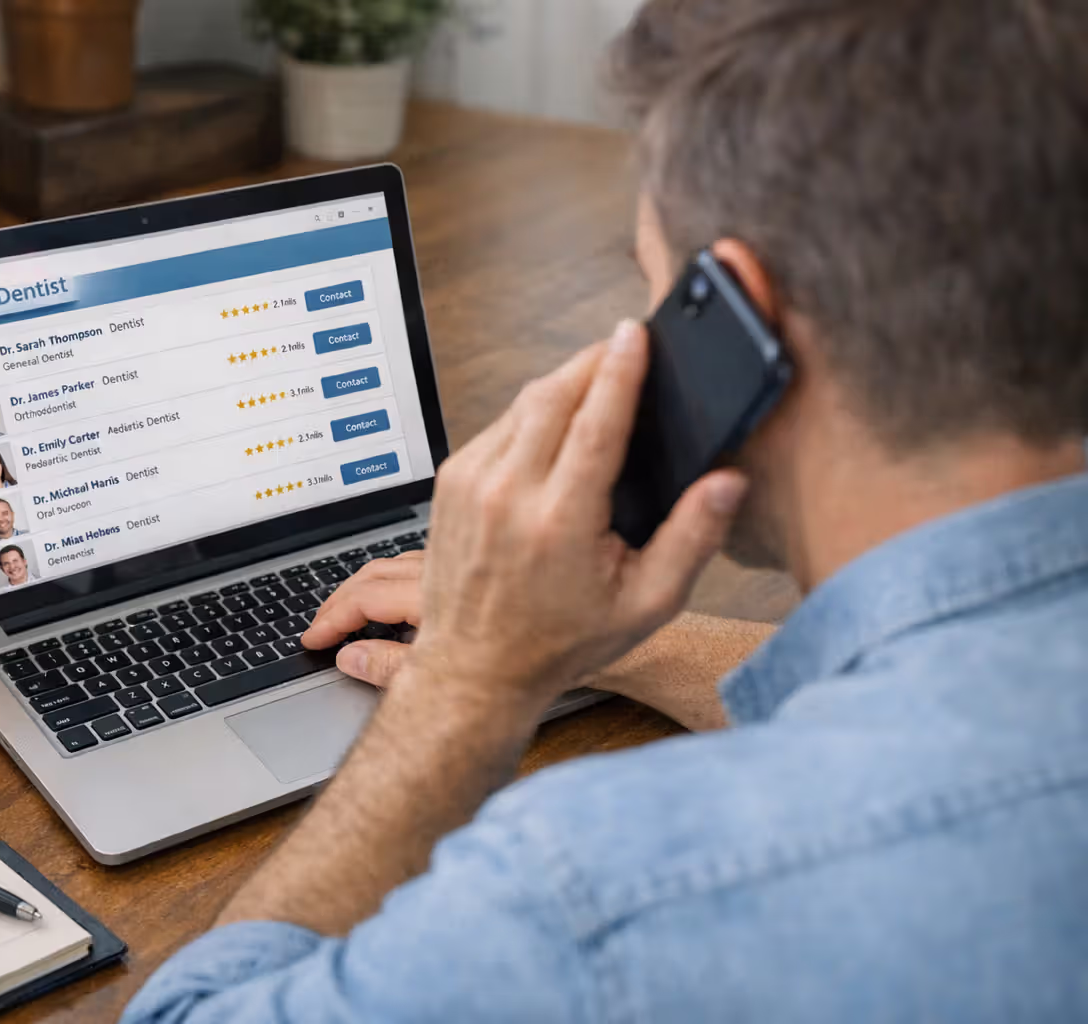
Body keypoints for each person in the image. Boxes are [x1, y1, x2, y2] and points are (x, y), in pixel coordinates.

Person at [124, 2, 1088, 1021]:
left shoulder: (603, 892)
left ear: (737, 324)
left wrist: (465, 682)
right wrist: (614, 641)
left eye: (657, 286)